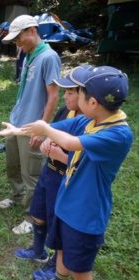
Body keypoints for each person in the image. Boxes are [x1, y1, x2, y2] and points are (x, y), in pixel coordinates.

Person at [22, 65, 133, 280]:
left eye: (79, 92)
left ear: (92, 103)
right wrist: (21, 130)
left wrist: (45, 130)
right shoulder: (90, 120)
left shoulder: (118, 134)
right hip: (66, 204)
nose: (73, 94)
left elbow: (71, 142)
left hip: (85, 215)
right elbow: (61, 127)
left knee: (80, 271)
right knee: (62, 253)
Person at [0, 69, 83, 280]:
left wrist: (58, 153)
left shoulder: (88, 124)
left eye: (71, 92)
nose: (65, 96)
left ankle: (55, 265)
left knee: (57, 222)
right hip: (49, 172)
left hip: (65, 178)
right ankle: (38, 249)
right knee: (38, 213)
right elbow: (46, 129)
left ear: (87, 96)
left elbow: (81, 160)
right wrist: (16, 131)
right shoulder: (66, 112)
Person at [0, 15, 60, 235]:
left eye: (18, 38)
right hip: (16, 123)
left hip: (33, 126)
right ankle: (16, 196)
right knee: (13, 165)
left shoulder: (49, 57)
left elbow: (53, 96)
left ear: (32, 30)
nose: (17, 43)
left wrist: (43, 128)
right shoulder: (28, 55)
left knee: (32, 174)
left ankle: (32, 217)